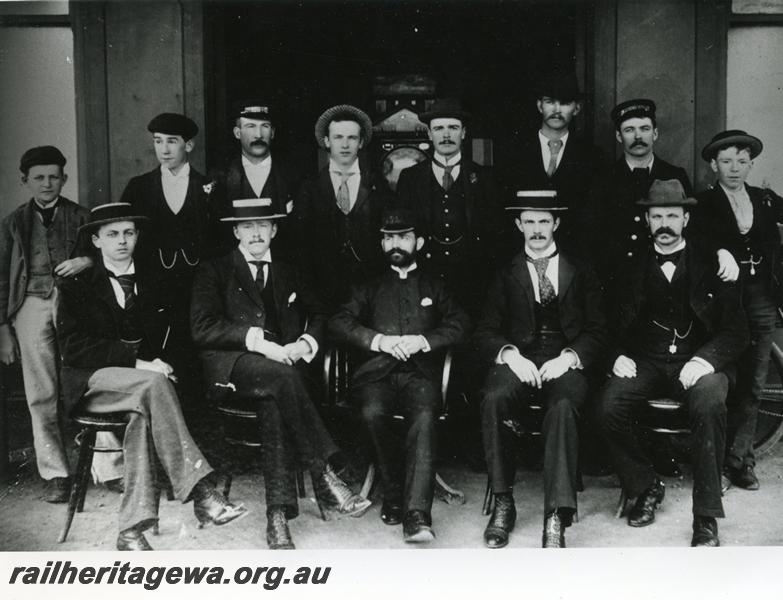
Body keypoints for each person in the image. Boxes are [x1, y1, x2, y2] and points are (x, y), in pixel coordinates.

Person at [56, 202, 247, 551]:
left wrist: (165, 365)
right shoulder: (76, 285)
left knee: (142, 416)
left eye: (129, 233)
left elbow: (173, 337)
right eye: (112, 234)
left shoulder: (155, 280)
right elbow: (73, 348)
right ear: (96, 241)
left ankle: (130, 531)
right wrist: (140, 363)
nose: (122, 241)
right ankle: (203, 492)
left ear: (137, 236)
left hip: (142, 389)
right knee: (154, 384)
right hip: (92, 382)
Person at [190, 198, 371, 550]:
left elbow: (321, 315)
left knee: (274, 404)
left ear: (274, 230)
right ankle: (325, 472)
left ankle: (277, 518)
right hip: (233, 369)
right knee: (280, 378)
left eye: (263, 225)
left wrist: (305, 343)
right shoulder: (214, 270)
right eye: (247, 226)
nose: (256, 233)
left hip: (281, 378)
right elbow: (202, 328)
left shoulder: (291, 270)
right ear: (236, 232)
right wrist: (258, 342)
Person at [594, 179, 749, 547]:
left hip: (699, 361)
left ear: (686, 219)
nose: (665, 224)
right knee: (607, 407)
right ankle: (646, 485)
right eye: (657, 216)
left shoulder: (714, 263)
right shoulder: (628, 265)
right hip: (646, 361)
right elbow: (605, 322)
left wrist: (706, 359)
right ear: (647, 220)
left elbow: (737, 331)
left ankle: (706, 517)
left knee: (709, 403)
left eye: (672, 216)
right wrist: (616, 355)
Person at [473, 190, 607, 548]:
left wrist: (569, 357)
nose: (536, 229)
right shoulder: (505, 272)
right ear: (518, 225)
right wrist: (510, 355)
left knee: (562, 407)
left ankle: (555, 515)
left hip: (564, 359)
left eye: (544, 221)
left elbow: (598, 329)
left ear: (556, 223)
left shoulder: (581, 270)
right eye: (529, 221)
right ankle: (503, 502)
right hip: (521, 358)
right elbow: (485, 330)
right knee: (494, 398)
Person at [328, 209, 469, 543]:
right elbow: (339, 322)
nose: (396, 244)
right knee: (371, 413)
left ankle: (417, 514)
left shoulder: (436, 284)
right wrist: (379, 340)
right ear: (382, 244)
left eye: (404, 238)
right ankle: (393, 492)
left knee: (424, 417)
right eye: (389, 238)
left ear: (418, 242)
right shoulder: (369, 285)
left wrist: (424, 340)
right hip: (376, 375)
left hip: (421, 375)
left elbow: (461, 324)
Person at [0, 146, 122, 502]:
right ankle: (55, 473)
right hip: (30, 304)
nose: (47, 183)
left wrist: (87, 260)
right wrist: (3, 328)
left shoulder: (82, 216)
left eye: (53, 176)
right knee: (41, 392)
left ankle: (111, 467)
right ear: (25, 180)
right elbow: (2, 278)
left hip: (76, 304)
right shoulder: (13, 222)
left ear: (64, 178)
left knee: (91, 380)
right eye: (38, 177)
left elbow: (109, 255)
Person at [691, 130, 783, 490]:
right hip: (723, 303)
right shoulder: (702, 203)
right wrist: (718, 251)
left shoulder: (765, 200)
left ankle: (741, 460)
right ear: (714, 165)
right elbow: (694, 241)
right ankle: (713, 456)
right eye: (726, 161)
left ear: (751, 165)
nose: (734, 168)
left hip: (761, 300)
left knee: (755, 381)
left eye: (742, 161)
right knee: (725, 378)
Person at [119, 113, 222, 396]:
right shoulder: (139, 187)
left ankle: (194, 406)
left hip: (197, 284)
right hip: (153, 285)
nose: (164, 149)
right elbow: (123, 231)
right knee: (157, 343)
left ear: (188, 145)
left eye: (172, 142)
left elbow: (221, 242)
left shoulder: (209, 187)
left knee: (192, 344)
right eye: (158, 141)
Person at [396, 97, 503, 317]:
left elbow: (493, 235)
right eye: (439, 128)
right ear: (429, 134)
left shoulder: (484, 178)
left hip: (472, 281)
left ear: (463, 133)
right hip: (425, 279)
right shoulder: (410, 178)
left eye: (453, 128)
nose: (446, 135)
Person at [292, 104, 392, 309]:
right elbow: (301, 248)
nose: (345, 145)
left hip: (371, 295)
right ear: (327, 141)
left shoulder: (377, 186)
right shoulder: (310, 188)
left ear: (361, 142)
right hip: (324, 297)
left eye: (352, 138)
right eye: (338, 137)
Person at [498, 71, 605, 255]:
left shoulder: (593, 157)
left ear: (577, 108)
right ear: (540, 106)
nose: (557, 109)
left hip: (575, 257)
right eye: (550, 102)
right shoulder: (513, 152)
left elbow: (594, 216)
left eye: (565, 103)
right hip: (523, 256)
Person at [596, 99, 694, 282]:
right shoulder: (603, 179)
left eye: (645, 129)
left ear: (655, 133)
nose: (638, 136)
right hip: (618, 278)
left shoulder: (675, 175)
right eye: (629, 130)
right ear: (618, 136)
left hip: (664, 276)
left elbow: (691, 229)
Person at [211, 101, 300, 256]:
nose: (258, 135)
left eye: (265, 126)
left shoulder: (294, 175)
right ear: (237, 133)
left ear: (272, 132)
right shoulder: (220, 177)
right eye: (250, 126)